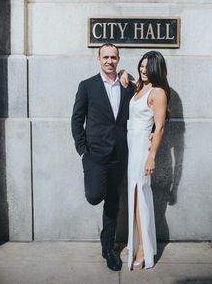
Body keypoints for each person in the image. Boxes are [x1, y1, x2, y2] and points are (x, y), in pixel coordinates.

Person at [71, 43, 135, 271]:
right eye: (105, 57)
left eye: (113, 57)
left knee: (113, 203)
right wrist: (82, 149)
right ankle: (106, 239)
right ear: (99, 59)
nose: (109, 61)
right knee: (94, 196)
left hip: (120, 154)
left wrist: (131, 75)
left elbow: (147, 95)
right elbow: (77, 119)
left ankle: (108, 247)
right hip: (95, 155)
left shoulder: (129, 86)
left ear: (119, 60)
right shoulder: (87, 86)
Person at [126, 51, 170, 270]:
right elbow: (130, 79)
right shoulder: (139, 87)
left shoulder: (158, 92)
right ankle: (138, 242)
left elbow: (159, 127)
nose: (143, 70)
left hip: (143, 148)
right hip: (131, 146)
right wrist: (124, 73)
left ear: (156, 69)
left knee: (139, 197)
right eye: (141, 66)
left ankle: (143, 247)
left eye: (147, 67)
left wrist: (151, 156)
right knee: (134, 198)